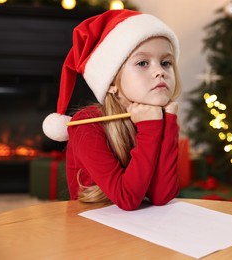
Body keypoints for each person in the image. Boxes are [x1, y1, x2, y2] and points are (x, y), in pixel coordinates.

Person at [42, 9, 181, 211]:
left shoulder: (154, 116)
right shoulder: (87, 125)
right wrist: (150, 128)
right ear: (111, 82)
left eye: (166, 62)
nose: (160, 71)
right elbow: (128, 200)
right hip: (92, 231)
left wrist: (168, 124)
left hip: (138, 229)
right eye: (142, 63)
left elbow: (161, 196)